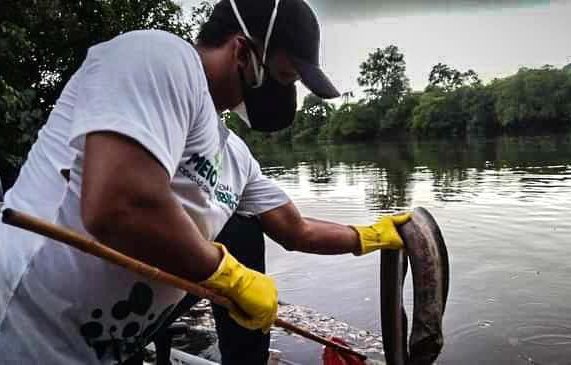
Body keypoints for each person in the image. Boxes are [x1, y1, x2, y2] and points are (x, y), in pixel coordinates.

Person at [0, 0, 410, 363]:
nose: (286, 94)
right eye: (285, 77)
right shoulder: (158, 57)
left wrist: (371, 236)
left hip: (89, 349)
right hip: (19, 322)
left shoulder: (235, 157)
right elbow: (119, 203)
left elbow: (296, 230)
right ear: (242, 50)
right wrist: (228, 275)